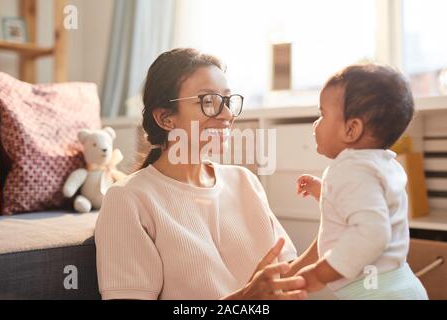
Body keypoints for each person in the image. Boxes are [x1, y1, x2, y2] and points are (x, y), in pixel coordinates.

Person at [95, 48, 307, 300]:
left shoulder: (244, 181)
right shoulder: (128, 199)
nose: (227, 115)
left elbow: (288, 276)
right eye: (208, 102)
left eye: (227, 101)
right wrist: (244, 300)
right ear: (165, 118)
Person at [289, 64, 428, 299]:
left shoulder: (349, 169)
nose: (316, 124)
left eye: (322, 114)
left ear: (351, 129)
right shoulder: (383, 164)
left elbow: (372, 232)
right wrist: (321, 192)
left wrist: (319, 273)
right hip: (397, 284)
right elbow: (360, 205)